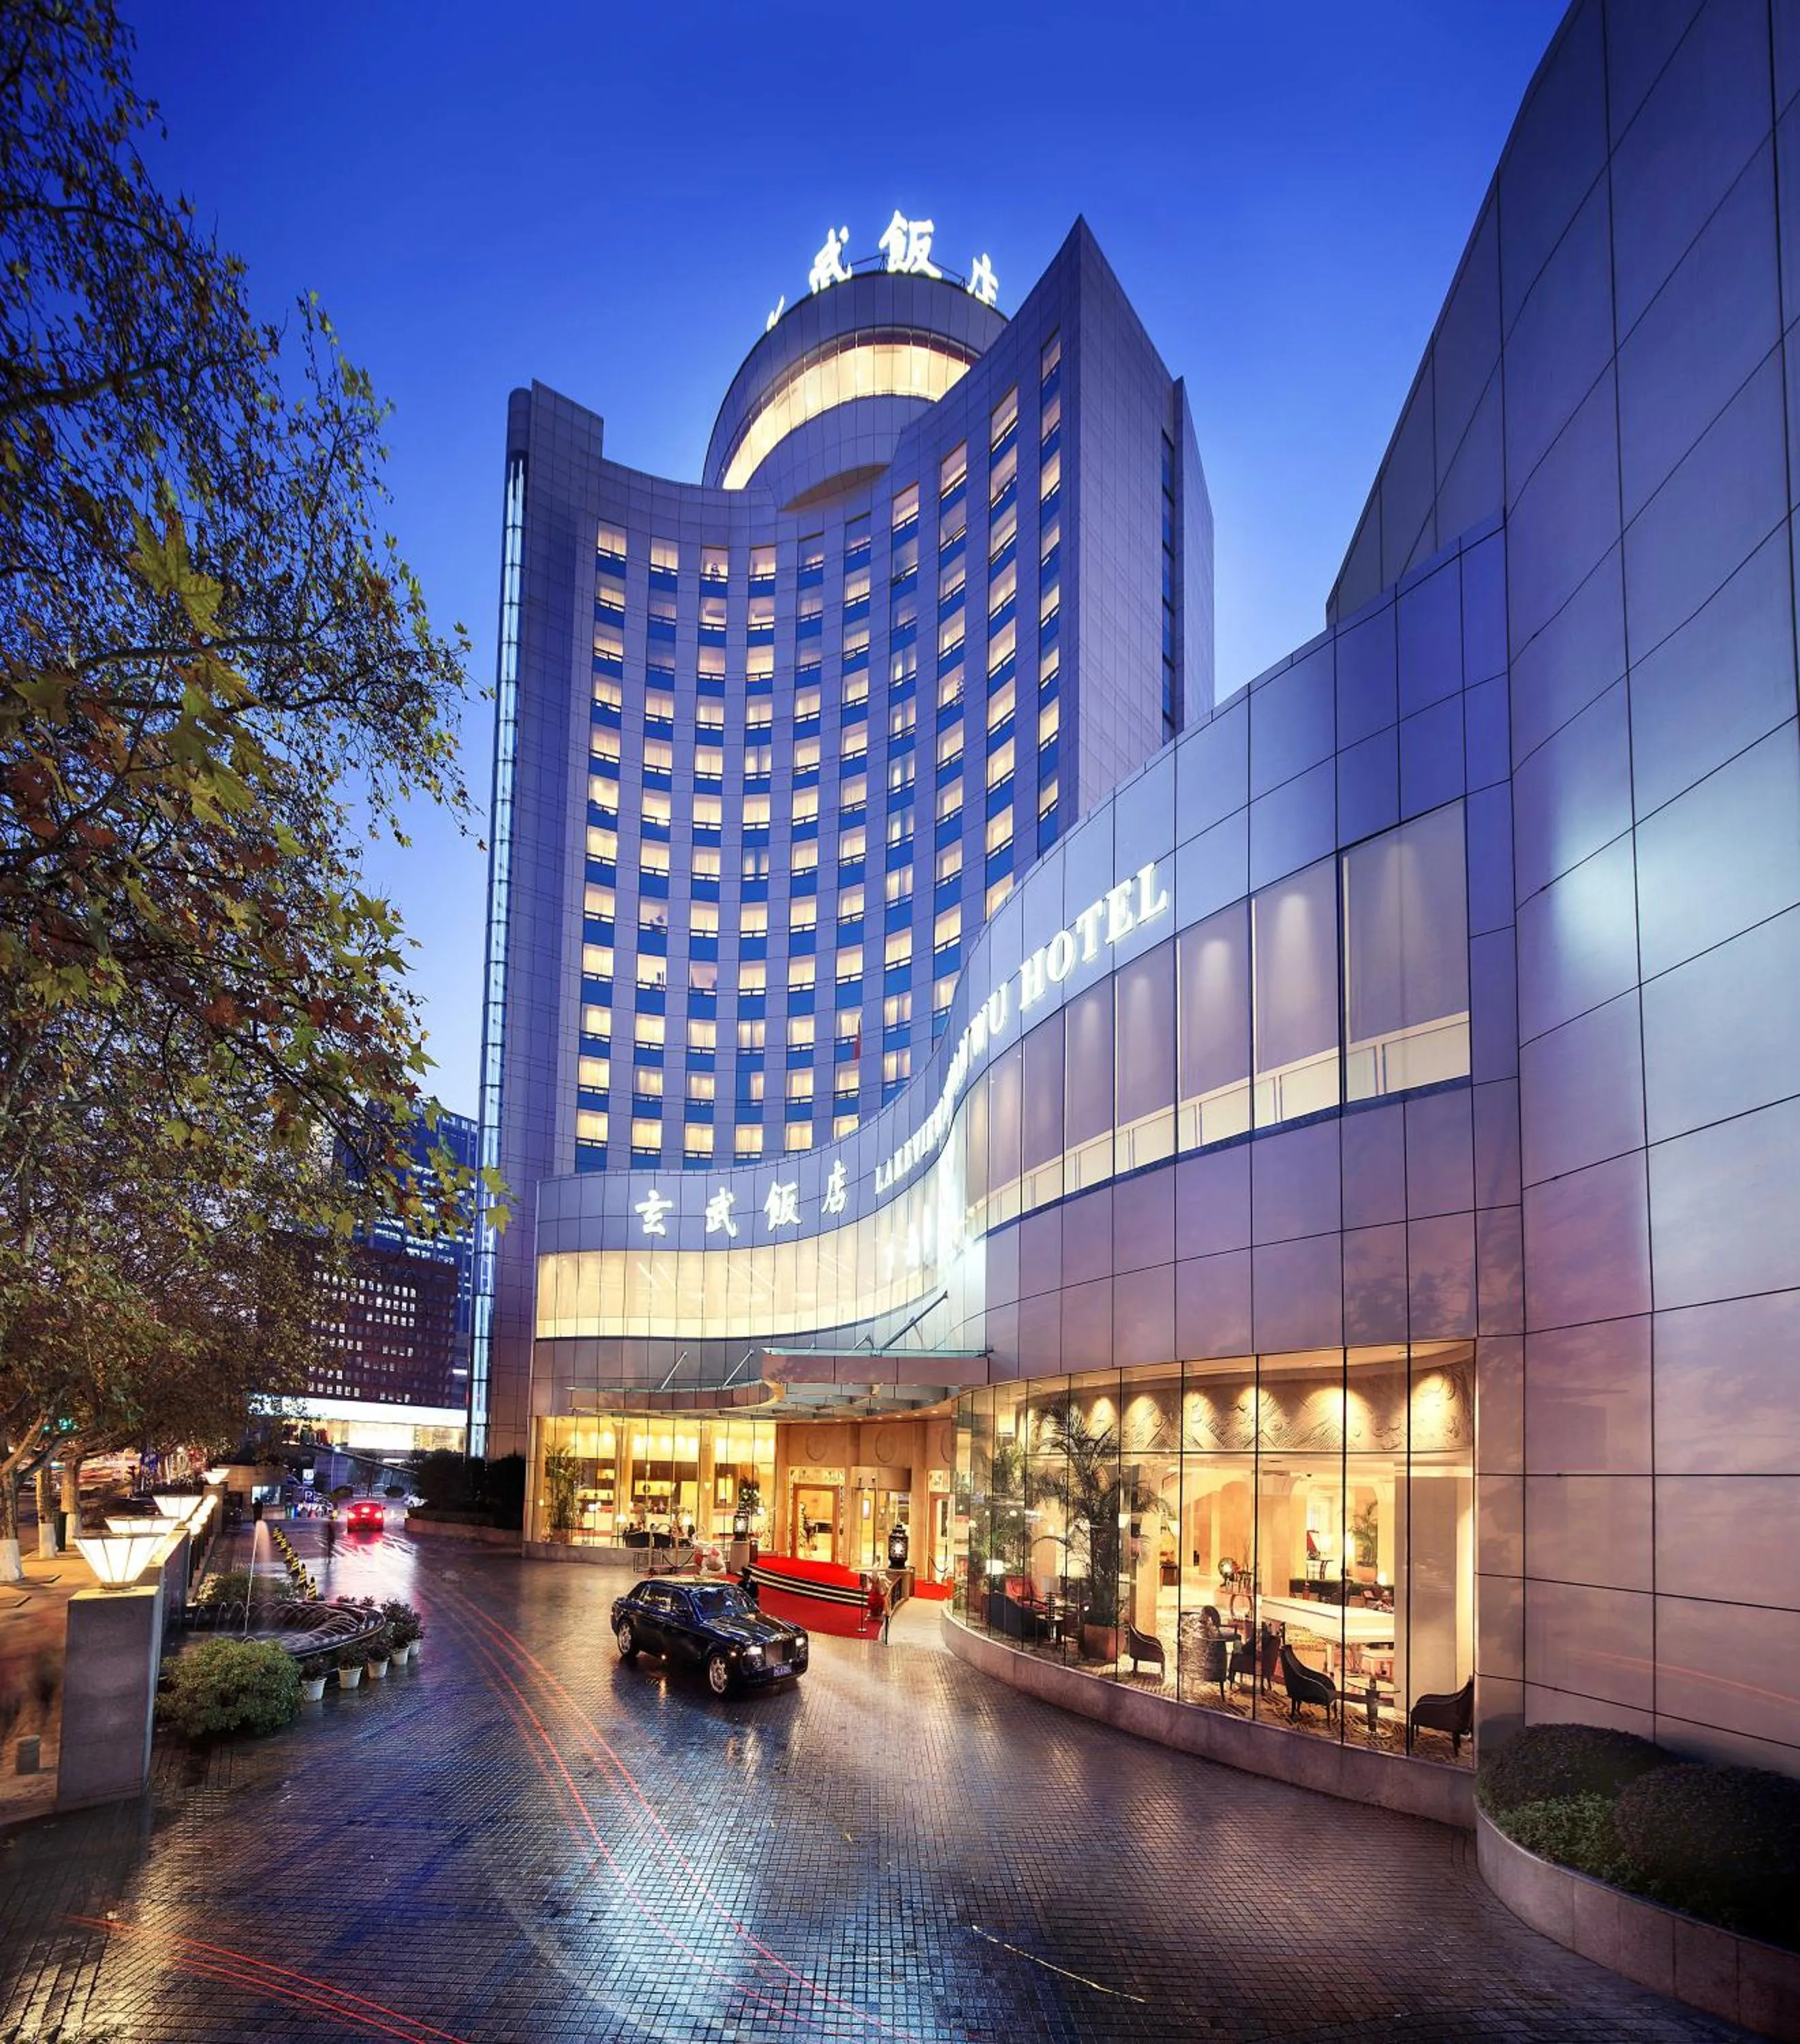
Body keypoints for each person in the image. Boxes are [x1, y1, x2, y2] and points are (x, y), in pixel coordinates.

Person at [865, 1573, 887, 1642]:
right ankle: (875, 1613)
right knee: (878, 1600)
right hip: (875, 1598)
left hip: (876, 1598)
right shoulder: (875, 1586)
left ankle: (876, 1613)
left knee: (880, 1600)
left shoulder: (877, 1586)